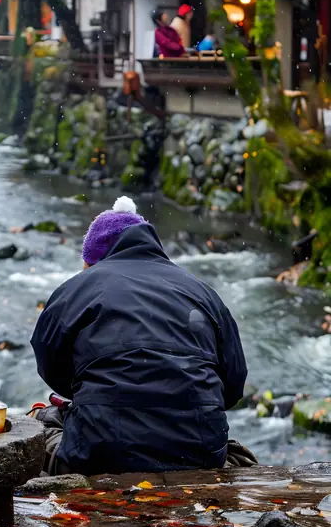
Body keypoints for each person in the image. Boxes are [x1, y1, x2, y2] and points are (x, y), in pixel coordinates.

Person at [30, 197, 250, 476]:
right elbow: (233, 384)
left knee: (39, 423)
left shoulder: (76, 289)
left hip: (98, 452)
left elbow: (49, 366)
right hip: (200, 452)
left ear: (92, 260)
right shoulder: (203, 293)